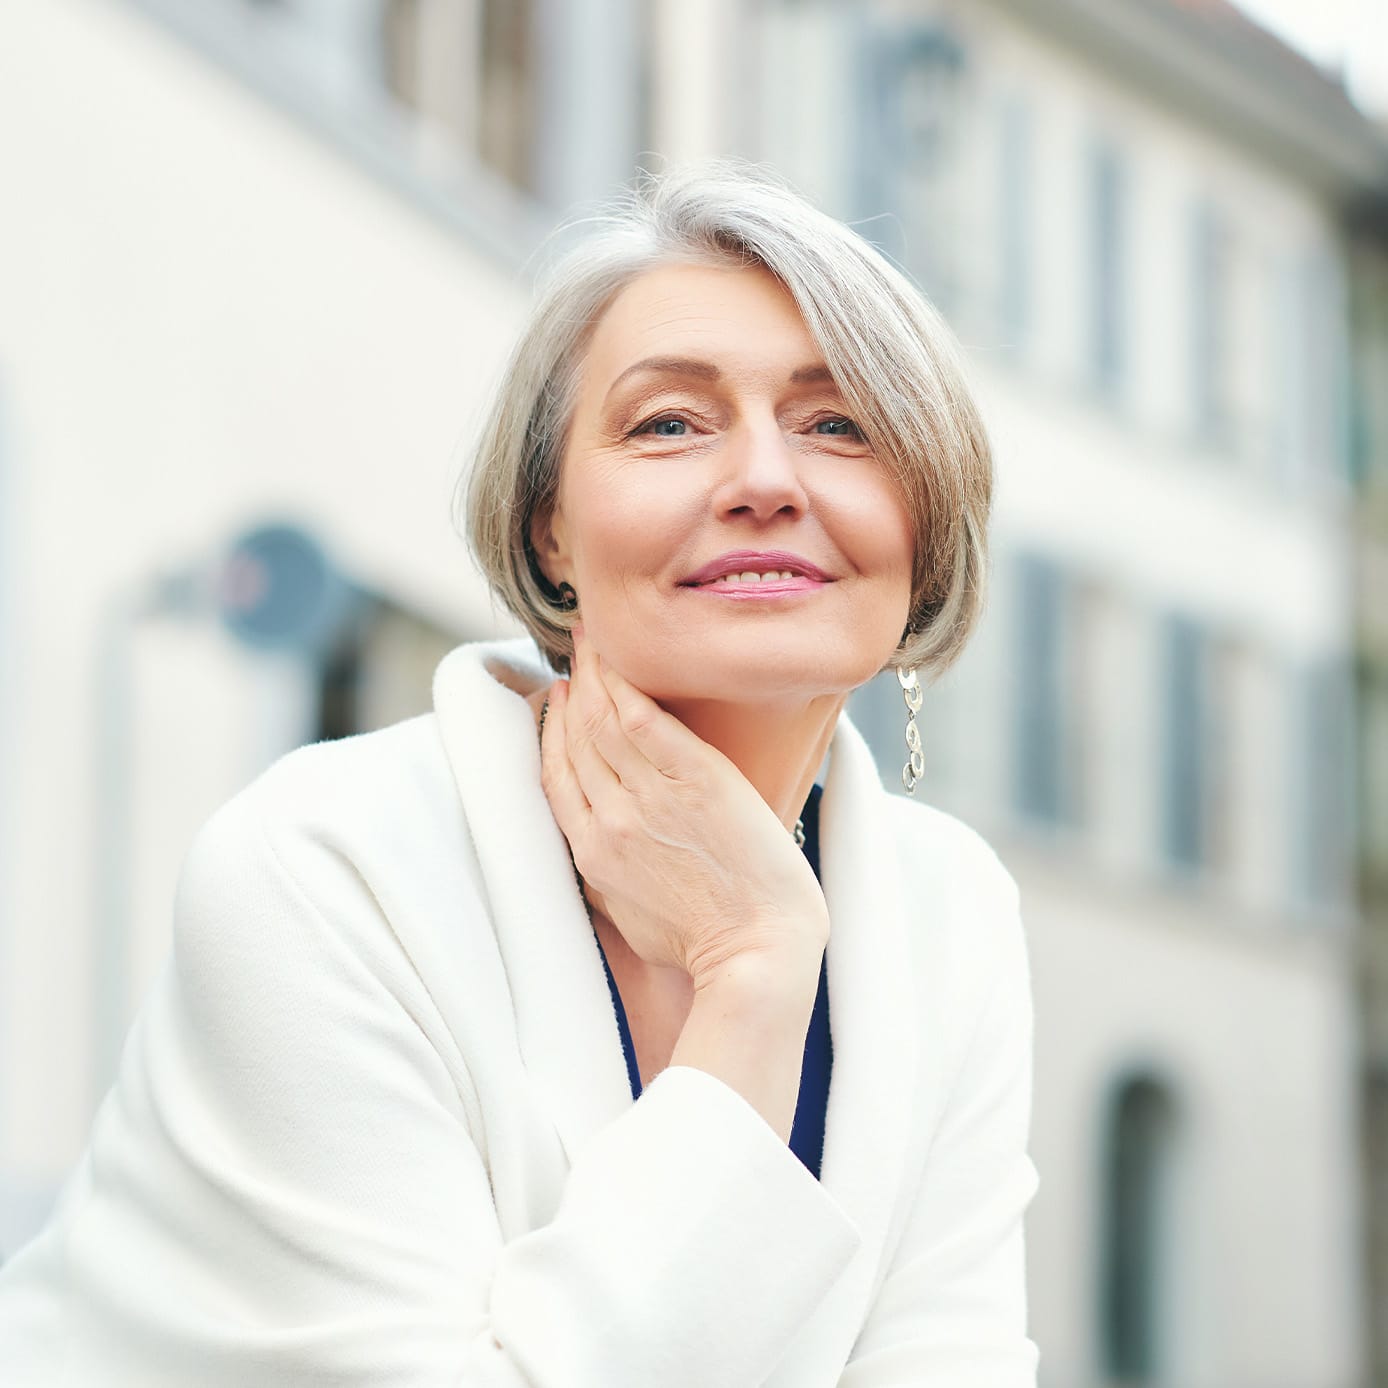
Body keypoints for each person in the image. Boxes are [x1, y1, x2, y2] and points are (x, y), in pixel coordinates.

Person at [0, 162, 1040, 1385]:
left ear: (923, 524)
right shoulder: (323, 867)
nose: (764, 479)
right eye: (667, 423)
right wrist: (754, 969)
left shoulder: (950, 911)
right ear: (551, 525)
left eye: (838, 424)